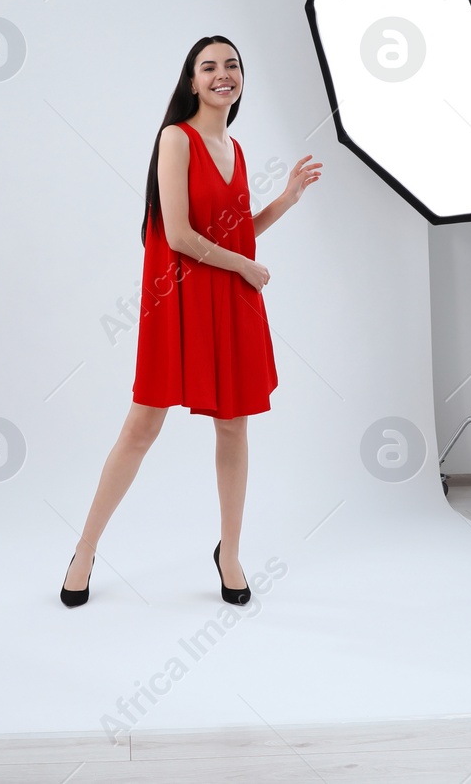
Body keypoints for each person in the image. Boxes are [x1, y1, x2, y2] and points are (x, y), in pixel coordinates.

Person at [59, 35, 321, 608]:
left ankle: (229, 552)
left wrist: (286, 200)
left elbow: (234, 231)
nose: (222, 74)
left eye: (232, 66)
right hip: (177, 299)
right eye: (209, 67)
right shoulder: (175, 139)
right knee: (142, 426)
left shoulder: (237, 146)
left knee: (233, 426)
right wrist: (249, 268)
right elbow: (178, 236)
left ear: (241, 81)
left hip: (227, 295)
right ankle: (84, 549)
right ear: (192, 81)